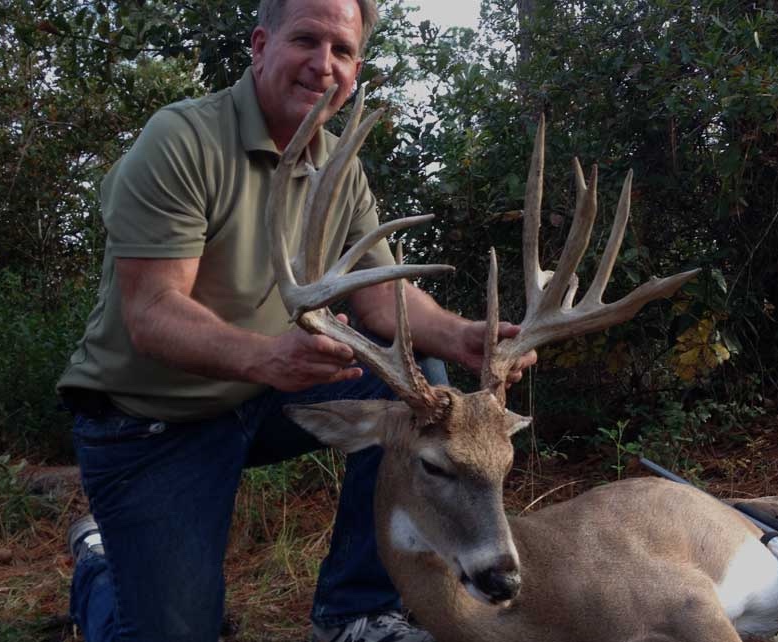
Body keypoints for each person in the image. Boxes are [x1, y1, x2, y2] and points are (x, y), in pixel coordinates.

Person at [56, 0, 535, 641]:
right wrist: (266, 358)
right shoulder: (183, 139)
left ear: (356, 69)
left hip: (261, 397)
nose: (322, 64)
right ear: (260, 45)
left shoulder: (338, 166)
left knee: (428, 384)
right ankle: (96, 565)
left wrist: (464, 335)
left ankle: (355, 614)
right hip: (152, 423)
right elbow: (152, 314)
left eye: (341, 51)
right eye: (306, 40)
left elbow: (383, 304)